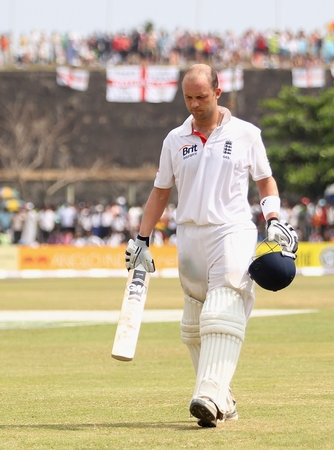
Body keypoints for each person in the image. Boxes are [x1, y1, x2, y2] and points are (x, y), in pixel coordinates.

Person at [124, 64, 297, 428]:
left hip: (231, 230)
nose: (194, 104)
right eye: (188, 97)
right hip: (189, 234)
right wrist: (142, 238)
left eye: (201, 96)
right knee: (193, 324)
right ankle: (224, 399)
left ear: (218, 92)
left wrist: (274, 218)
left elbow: (265, 182)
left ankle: (208, 392)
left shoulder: (246, 133)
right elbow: (160, 192)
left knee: (223, 308)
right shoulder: (175, 139)